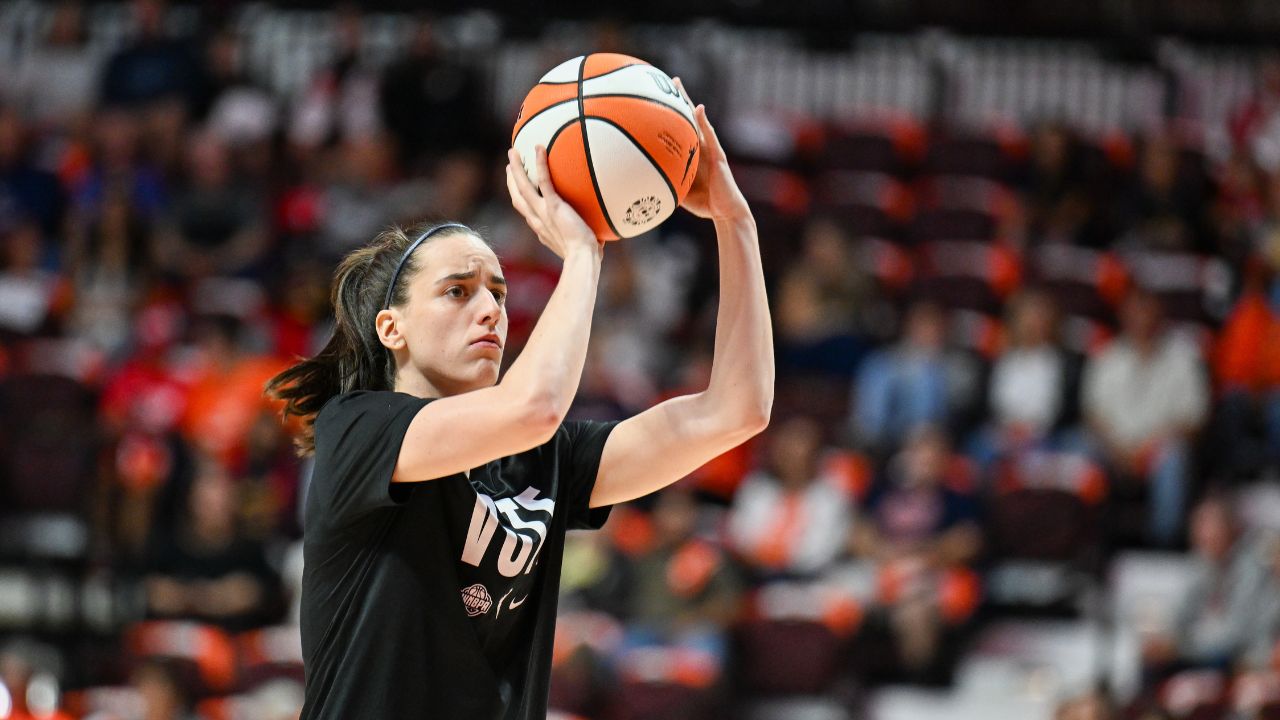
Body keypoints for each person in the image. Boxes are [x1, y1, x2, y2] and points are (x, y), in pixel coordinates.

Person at [266, 85, 773, 720]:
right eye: (457, 291)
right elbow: (534, 405)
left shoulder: (544, 456)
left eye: (500, 294)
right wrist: (587, 250)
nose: (490, 310)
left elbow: (737, 409)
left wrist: (735, 222)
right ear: (392, 329)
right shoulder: (359, 427)